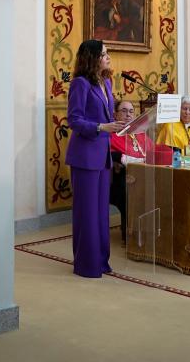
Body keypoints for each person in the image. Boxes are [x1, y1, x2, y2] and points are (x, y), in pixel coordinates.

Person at [66, 40, 125, 277]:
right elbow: (74, 120)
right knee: (87, 212)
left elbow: (108, 117)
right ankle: (86, 264)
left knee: (101, 212)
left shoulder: (107, 82)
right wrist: (102, 127)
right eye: (104, 53)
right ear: (92, 58)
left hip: (103, 156)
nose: (108, 57)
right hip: (85, 156)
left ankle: (101, 261)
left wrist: (120, 126)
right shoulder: (80, 84)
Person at [109, 100, 154, 244]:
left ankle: (152, 229)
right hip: (121, 177)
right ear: (115, 114)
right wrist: (122, 159)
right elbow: (107, 154)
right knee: (128, 191)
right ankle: (129, 234)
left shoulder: (139, 132)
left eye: (131, 111)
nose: (128, 114)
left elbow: (152, 150)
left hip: (146, 174)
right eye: (123, 111)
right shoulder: (111, 133)